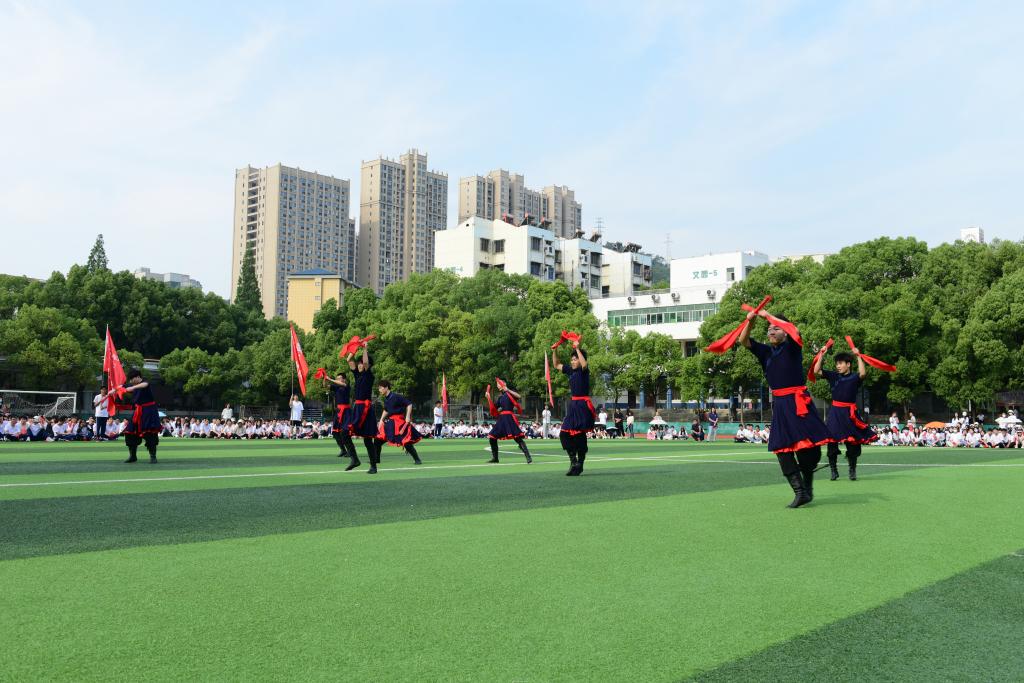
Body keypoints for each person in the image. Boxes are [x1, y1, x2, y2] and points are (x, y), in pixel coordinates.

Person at [739, 308, 833, 508]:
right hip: (780, 405)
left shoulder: (793, 347)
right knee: (781, 448)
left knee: (810, 450)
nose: (771, 331)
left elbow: (794, 330)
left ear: (784, 332)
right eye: (769, 329)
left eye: (776, 328)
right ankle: (800, 492)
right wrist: (750, 322)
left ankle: (807, 482)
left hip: (799, 403)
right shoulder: (765, 352)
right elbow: (743, 340)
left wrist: (767, 316)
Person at [813, 348, 877, 481]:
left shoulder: (854, 377)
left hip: (850, 413)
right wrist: (821, 354)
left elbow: (863, 373)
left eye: (840, 363)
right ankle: (833, 470)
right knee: (831, 442)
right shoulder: (833, 376)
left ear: (848, 364)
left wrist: (858, 355)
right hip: (835, 412)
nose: (838, 366)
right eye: (837, 363)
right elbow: (816, 371)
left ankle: (852, 470)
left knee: (853, 443)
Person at [551, 340, 595, 476]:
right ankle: (574, 461)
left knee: (580, 435)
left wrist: (577, 348)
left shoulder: (584, 371)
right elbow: (556, 364)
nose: (572, 361)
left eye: (575, 359)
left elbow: (584, 364)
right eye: (572, 359)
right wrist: (554, 349)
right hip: (573, 405)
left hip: (582, 405)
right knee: (564, 434)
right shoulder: (570, 371)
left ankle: (579, 464)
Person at [348, 344, 382, 473]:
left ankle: (373, 466)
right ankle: (355, 459)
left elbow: (366, 363)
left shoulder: (369, 375)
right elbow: (349, 360)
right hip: (357, 407)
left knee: (368, 440)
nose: (359, 365)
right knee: (344, 432)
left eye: (361, 363)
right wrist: (354, 347)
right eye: (359, 363)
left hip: (366, 409)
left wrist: (365, 348)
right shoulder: (357, 375)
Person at [376, 380, 423, 466]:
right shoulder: (386, 399)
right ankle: (376, 460)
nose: (379, 390)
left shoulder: (396, 396)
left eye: (380, 388)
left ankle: (417, 459)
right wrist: (381, 421)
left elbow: (409, 404)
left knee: (406, 442)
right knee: (378, 440)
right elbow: (386, 410)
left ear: (386, 387)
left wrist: (407, 416)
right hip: (390, 423)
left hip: (399, 423)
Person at [484, 381, 532, 464]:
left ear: (504, 384)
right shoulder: (500, 397)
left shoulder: (510, 394)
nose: (498, 386)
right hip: (502, 418)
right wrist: (488, 398)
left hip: (509, 418)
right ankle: (495, 458)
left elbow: (519, 396)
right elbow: (494, 407)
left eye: (499, 384)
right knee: (492, 437)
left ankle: (528, 457)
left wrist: (508, 390)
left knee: (518, 438)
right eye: (497, 385)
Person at [120, 368, 161, 463]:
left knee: (150, 433)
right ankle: (133, 456)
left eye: (132, 379)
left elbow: (144, 384)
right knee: (130, 432)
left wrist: (133, 388)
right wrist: (113, 390)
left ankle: (153, 456)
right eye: (130, 380)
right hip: (138, 411)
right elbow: (121, 386)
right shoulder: (133, 384)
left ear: (138, 377)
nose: (131, 382)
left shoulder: (145, 382)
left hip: (149, 411)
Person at [323, 370, 360, 470]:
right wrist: (325, 378)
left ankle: (352, 455)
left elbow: (341, 384)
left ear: (344, 379)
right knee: (335, 432)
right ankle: (343, 450)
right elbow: (325, 386)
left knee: (345, 433)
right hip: (339, 411)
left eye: (339, 378)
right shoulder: (336, 387)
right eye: (337, 378)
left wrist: (330, 379)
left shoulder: (346, 386)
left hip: (346, 411)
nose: (337, 380)